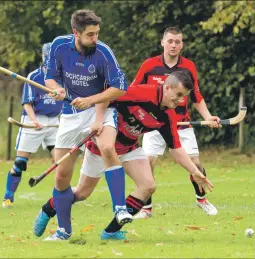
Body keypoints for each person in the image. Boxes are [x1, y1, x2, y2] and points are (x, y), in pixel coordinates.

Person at [34, 70, 214, 241]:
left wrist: (194, 171)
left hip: (129, 148)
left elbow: (176, 148)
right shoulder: (142, 93)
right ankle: (49, 208)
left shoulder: (168, 116)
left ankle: (110, 232)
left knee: (148, 185)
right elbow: (107, 96)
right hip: (103, 146)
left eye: (184, 97)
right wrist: (98, 121)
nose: (181, 101)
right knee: (82, 193)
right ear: (167, 87)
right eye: (179, 94)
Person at [38, 9, 132, 241]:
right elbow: (50, 76)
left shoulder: (103, 52)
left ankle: (120, 208)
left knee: (107, 147)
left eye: (97, 33)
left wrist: (91, 102)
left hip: (100, 107)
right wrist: (57, 89)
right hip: (71, 114)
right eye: (90, 35)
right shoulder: (59, 46)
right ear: (76, 33)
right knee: (61, 176)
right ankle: (63, 231)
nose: (95, 39)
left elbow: (119, 87)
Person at [132, 27, 220, 219]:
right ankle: (146, 209)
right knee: (147, 163)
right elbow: (134, 91)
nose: (173, 45)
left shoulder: (189, 66)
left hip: (181, 124)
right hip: (153, 124)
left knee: (195, 163)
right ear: (162, 42)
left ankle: (201, 199)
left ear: (182, 45)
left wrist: (207, 117)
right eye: (170, 41)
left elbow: (196, 96)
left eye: (177, 42)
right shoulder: (149, 65)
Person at [2, 43, 63, 208]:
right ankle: (8, 197)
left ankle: (60, 197)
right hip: (33, 120)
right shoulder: (34, 76)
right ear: (43, 57)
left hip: (54, 122)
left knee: (61, 162)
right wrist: (34, 120)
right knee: (21, 162)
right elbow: (27, 103)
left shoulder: (62, 76)